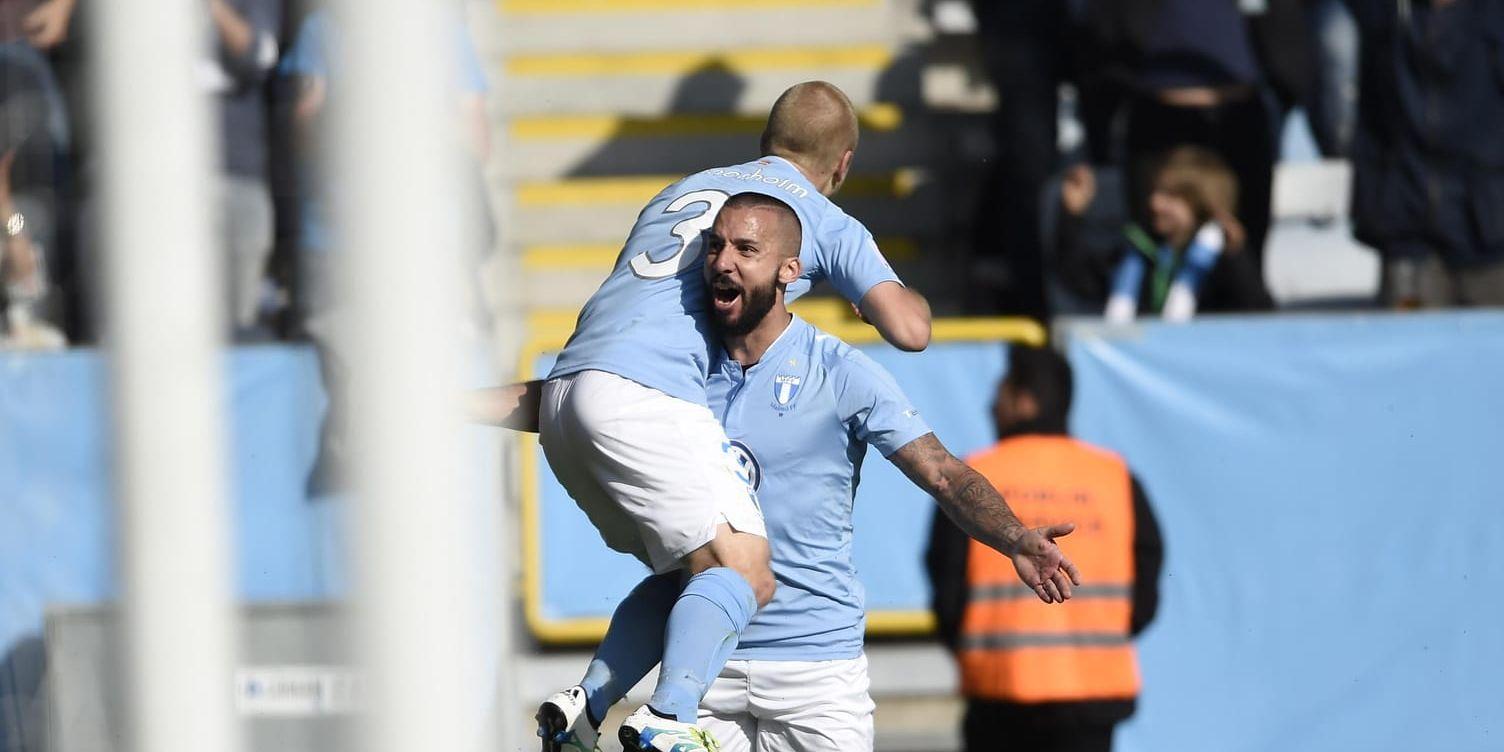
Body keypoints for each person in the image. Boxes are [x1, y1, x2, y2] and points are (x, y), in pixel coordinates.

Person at [479, 191, 1080, 752]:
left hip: (815, 667)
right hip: (706, 663)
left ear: (789, 271)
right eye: (715, 246)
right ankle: (625, 707)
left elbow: (943, 473)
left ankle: (593, 699)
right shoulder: (677, 362)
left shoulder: (839, 370)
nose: (724, 262)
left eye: (747, 249)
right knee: (685, 572)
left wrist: (1014, 537)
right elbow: (579, 394)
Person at [528, 81, 937, 752]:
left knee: (691, 573)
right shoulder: (803, 217)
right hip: (644, 397)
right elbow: (911, 329)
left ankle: (587, 702)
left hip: (566, 392)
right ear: (844, 164)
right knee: (743, 567)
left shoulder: (681, 192)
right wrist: (873, 292)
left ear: (763, 145)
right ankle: (667, 720)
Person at [926, 345, 1164, 752]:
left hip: (1000, 691)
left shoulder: (977, 479)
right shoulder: (1115, 477)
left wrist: (970, 644)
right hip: (1091, 696)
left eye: (1000, 390)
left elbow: (945, 578)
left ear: (1024, 399)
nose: (991, 403)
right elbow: (1147, 579)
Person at [1346, 0, 1504, 307]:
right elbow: (1370, 124)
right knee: (1407, 351)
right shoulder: (1384, 17)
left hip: (1491, 232)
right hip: (1409, 236)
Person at [1055, 146, 1269, 322]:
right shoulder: (1138, 252)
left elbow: (1260, 314)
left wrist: (1237, 259)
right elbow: (1082, 281)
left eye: (1171, 197)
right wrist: (1072, 219)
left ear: (1203, 203)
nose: (1155, 204)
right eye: (1155, 193)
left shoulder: (1222, 261)